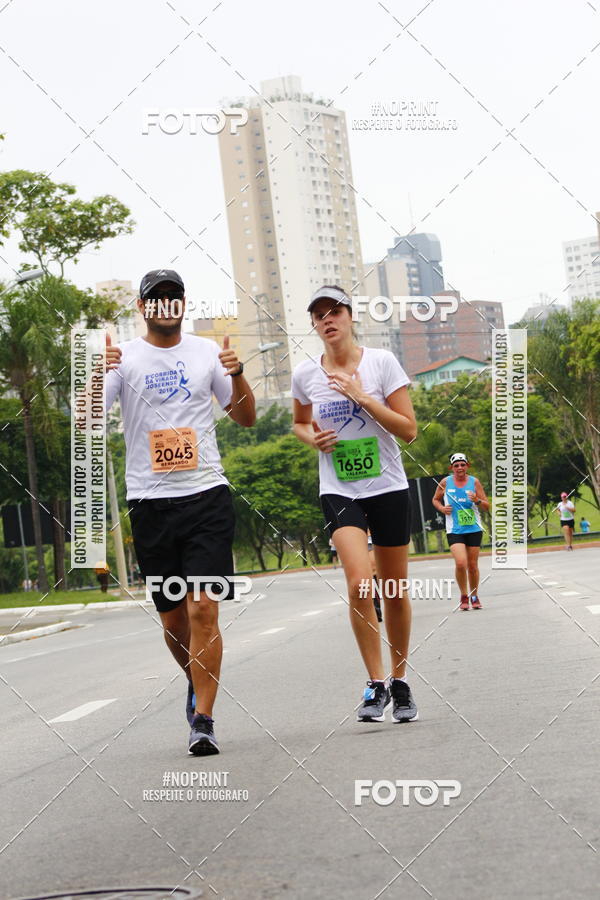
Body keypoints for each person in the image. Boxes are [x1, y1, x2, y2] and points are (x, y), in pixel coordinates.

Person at [104, 269, 256, 755]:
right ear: (142, 306)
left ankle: (204, 720)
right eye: (156, 298)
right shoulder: (123, 356)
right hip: (150, 502)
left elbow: (246, 417)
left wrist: (237, 373)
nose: (165, 305)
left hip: (206, 494)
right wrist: (96, 373)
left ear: (183, 304)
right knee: (174, 623)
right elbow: (84, 418)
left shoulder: (207, 352)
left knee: (203, 608)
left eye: (173, 297)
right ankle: (196, 678)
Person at [292, 285, 418, 724]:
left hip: (387, 487)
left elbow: (409, 430)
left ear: (350, 317)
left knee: (394, 590)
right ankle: (376, 682)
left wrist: (362, 397)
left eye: (335, 312)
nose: (328, 320)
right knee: (359, 584)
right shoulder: (305, 373)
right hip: (340, 489)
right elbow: (299, 422)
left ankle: (400, 681)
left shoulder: (382, 362)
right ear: (313, 324)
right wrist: (314, 438)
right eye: (319, 314)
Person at [432, 453, 490, 610]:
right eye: (456, 465)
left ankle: (474, 595)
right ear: (451, 468)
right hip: (454, 529)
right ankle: (464, 594)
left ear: (467, 466)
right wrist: (442, 509)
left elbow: (486, 505)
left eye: (462, 465)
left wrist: (476, 500)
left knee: (472, 565)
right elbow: (435, 499)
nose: (460, 468)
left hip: (473, 528)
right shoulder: (446, 482)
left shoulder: (474, 482)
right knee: (460, 563)